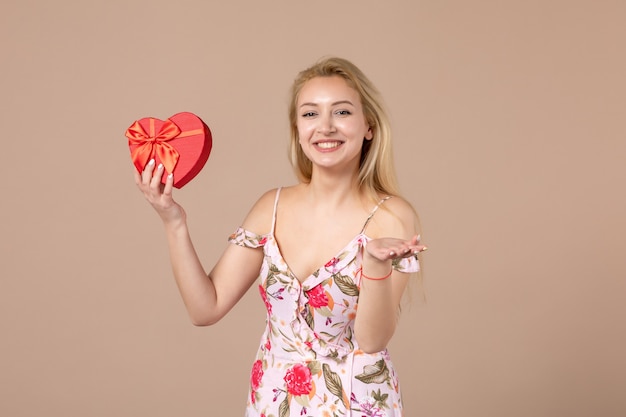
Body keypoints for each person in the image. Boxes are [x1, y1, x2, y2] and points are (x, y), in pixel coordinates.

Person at [134, 56, 427, 417]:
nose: (325, 127)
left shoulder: (392, 216)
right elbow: (204, 308)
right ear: (297, 128)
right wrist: (172, 220)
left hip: (357, 405)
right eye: (310, 114)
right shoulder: (269, 208)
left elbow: (372, 340)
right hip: (272, 404)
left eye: (342, 112)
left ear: (369, 126)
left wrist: (375, 265)